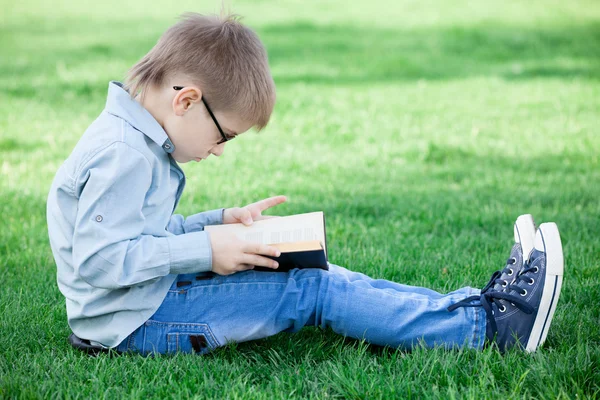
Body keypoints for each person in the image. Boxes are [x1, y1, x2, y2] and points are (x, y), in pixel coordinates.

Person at [46, 12, 564, 355]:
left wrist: (219, 224)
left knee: (321, 273)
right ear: (187, 100)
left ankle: (472, 308)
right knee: (312, 290)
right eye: (224, 133)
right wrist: (207, 249)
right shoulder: (123, 155)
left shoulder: (135, 141)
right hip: (133, 324)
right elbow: (101, 261)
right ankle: (492, 330)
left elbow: (142, 232)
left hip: (143, 300)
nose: (221, 148)